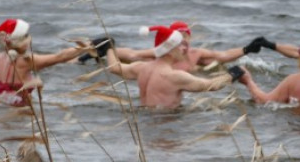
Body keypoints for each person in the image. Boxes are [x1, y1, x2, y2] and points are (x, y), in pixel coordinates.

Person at [99, 24, 245, 109]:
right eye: (179, 46)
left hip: (144, 120)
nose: (184, 49)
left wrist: (109, 48)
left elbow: (114, 68)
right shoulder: (175, 76)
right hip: (165, 123)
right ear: (168, 50)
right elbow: (210, 86)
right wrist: (232, 75)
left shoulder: (142, 67)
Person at [86, 20, 277, 73]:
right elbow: (133, 54)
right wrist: (102, 51)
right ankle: (96, 53)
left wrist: (247, 49)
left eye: (187, 37)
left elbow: (223, 55)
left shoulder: (197, 53)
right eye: (181, 38)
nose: (184, 42)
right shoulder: (160, 53)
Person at [0, 18, 88, 107]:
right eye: (25, 36)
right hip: (20, 109)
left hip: (2, 104)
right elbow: (60, 57)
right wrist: (85, 47)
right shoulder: (25, 61)